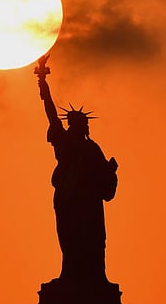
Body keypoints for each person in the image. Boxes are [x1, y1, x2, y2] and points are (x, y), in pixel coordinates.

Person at [36, 56, 118, 283]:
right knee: (69, 237)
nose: (78, 128)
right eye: (75, 124)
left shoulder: (92, 149)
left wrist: (110, 172)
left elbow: (105, 183)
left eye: (80, 125)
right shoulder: (64, 141)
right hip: (68, 199)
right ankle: (71, 275)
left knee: (91, 237)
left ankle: (94, 277)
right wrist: (42, 81)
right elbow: (51, 112)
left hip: (87, 202)